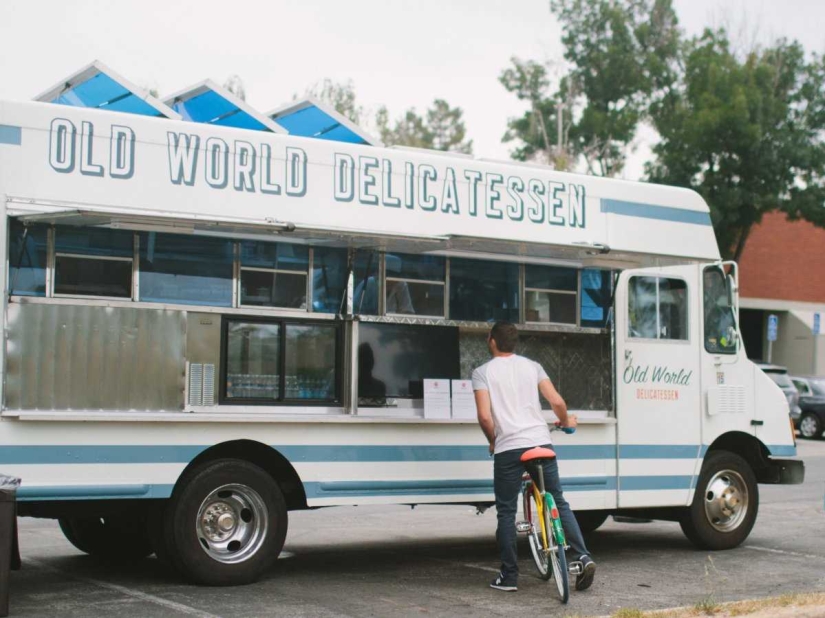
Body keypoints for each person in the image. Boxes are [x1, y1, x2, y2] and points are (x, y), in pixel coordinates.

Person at [472, 320, 596, 593]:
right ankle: (583, 556)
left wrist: (494, 440)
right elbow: (558, 403)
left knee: (506, 511)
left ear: (492, 341)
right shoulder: (533, 366)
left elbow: (483, 415)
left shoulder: (482, 372)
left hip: (509, 448)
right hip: (541, 442)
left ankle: (509, 577)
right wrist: (564, 422)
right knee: (559, 500)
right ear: (514, 343)